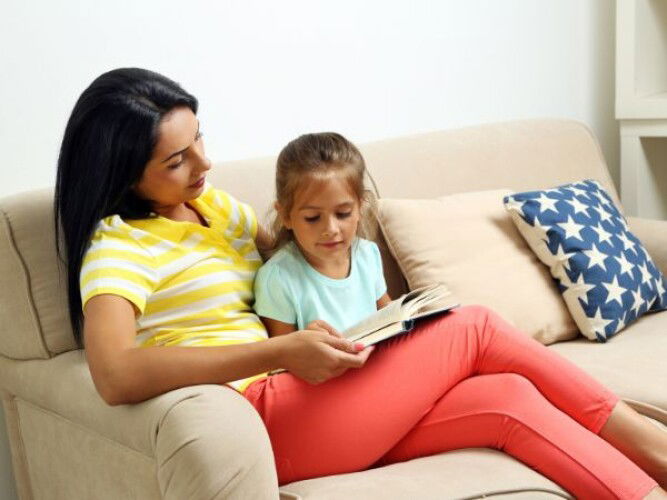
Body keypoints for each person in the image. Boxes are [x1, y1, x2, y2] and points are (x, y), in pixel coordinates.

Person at [54, 67, 667, 499]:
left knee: (507, 398)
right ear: (125, 174)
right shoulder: (119, 246)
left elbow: (299, 257)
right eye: (177, 160)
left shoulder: (213, 207)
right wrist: (280, 351)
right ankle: (648, 440)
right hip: (256, 416)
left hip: (312, 401)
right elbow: (114, 375)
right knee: (476, 326)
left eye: (199, 140)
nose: (204, 163)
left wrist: (383, 318)